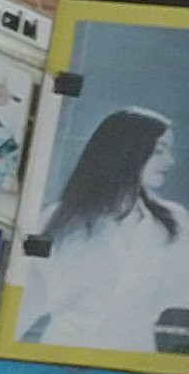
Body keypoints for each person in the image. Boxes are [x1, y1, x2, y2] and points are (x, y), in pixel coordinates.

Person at [19, 106, 189, 353]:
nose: (169, 161)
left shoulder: (174, 221)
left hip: (134, 357)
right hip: (62, 352)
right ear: (125, 151)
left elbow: (181, 297)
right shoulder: (59, 219)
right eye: (159, 151)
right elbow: (26, 298)